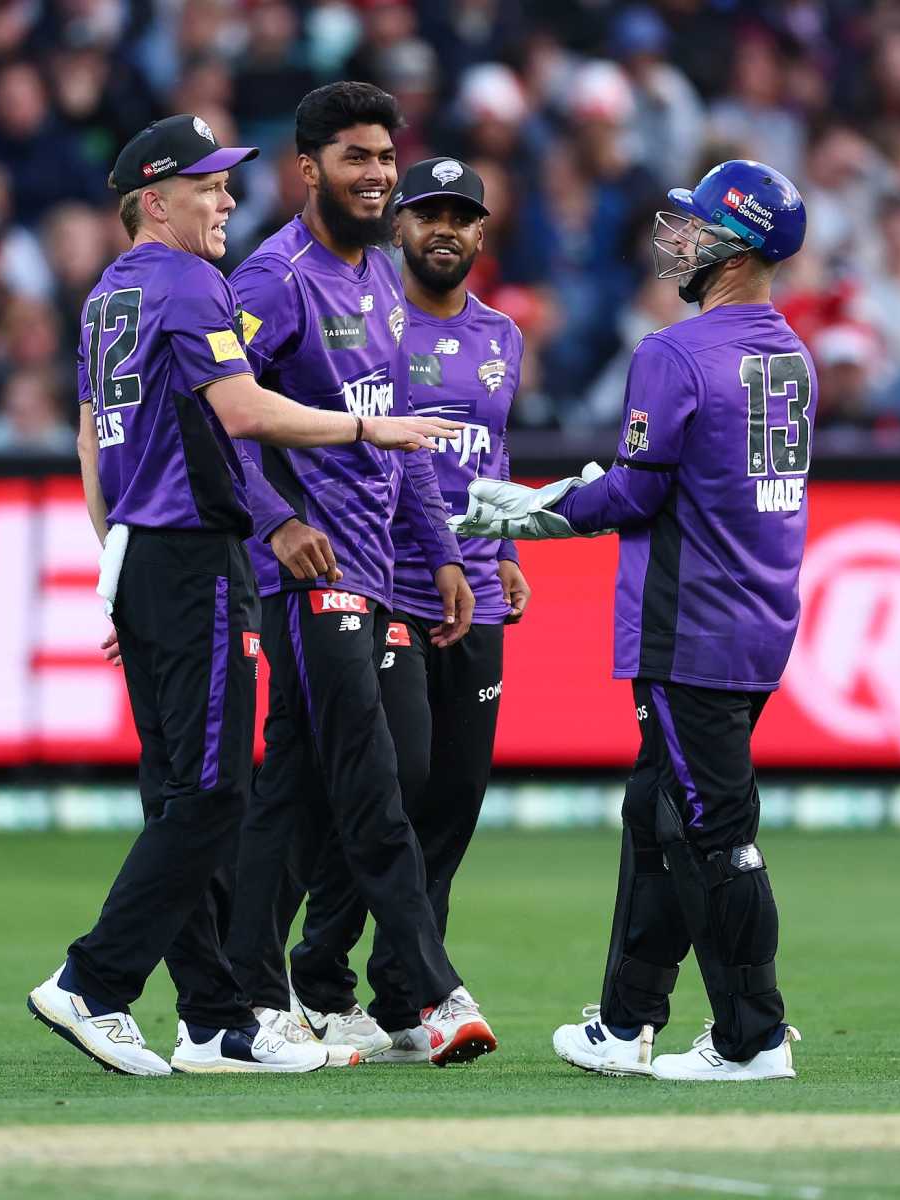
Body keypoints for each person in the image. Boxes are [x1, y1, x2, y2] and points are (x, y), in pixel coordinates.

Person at [27, 114, 461, 1078]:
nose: (227, 200)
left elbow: (94, 436)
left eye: (227, 184)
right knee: (217, 790)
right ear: (154, 199)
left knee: (181, 788)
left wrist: (118, 560)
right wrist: (366, 431)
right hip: (193, 554)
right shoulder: (188, 283)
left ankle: (215, 1019)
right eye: (208, 186)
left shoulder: (108, 295)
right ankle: (94, 983)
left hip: (145, 550)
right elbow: (244, 410)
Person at [452, 159, 815, 1082]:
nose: (680, 239)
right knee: (656, 811)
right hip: (760, 619)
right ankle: (625, 1024)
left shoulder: (673, 353)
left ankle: (753, 1037)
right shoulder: (791, 352)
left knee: (711, 830)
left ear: (736, 248)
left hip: (688, 625)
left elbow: (638, 492)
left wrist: (535, 511)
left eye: (699, 227)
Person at [223, 85, 498, 1067]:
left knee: (311, 782)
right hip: (308, 571)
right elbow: (217, 419)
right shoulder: (270, 279)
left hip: (381, 568)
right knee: (375, 775)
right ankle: (431, 990)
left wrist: (445, 552)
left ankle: (252, 994)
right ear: (308, 169)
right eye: (355, 157)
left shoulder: (382, 278)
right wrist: (279, 520)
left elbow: (404, 439)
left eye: (386, 155)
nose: (378, 172)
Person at [288, 158, 531, 1063]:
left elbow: (491, 452)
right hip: (386, 581)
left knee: (454, 798)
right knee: (394, 782)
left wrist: (502, 552)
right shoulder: (371, 323)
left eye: (461, 218)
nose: (444, 229)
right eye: (428, 212)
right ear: (400, 226)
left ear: (481, 233)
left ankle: (397, 991)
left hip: (474, 590)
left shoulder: (504, 335)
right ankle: (325, 975)